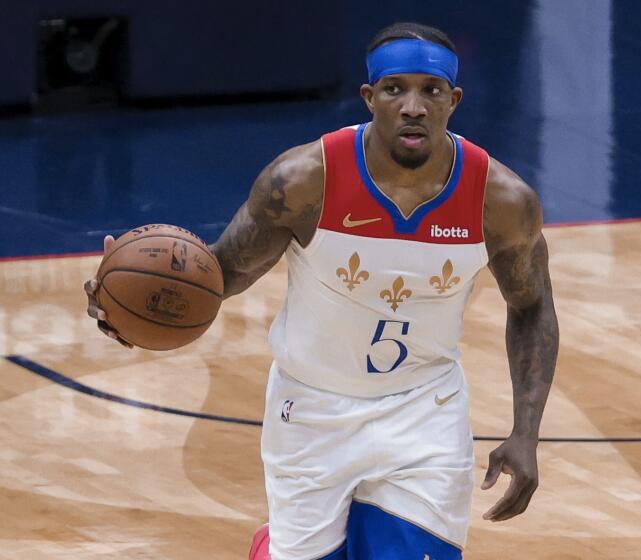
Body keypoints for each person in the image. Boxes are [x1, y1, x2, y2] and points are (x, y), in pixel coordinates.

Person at [85, 22, 558, 560]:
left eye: (430, 90)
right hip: (310, 410)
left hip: (424, 410)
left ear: (454, 101)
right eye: (394, 88)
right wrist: (131, 306)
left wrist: (526, 431)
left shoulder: (501, 201)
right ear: (369, 97)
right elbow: (223, 274)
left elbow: (533, 303)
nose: (412, 106)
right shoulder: (304, 180)